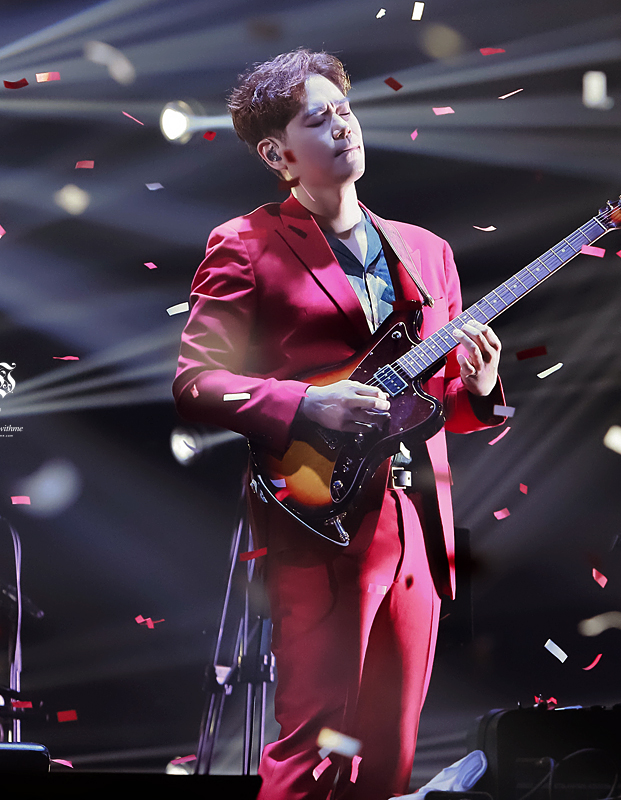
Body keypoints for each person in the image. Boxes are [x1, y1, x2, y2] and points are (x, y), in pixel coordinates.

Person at [172, 48, 506, 800]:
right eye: (318, 120)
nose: (343, 127)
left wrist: (481, 388)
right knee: (317, 747)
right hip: (318, 516)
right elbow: (197, 384)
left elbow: (440, 406)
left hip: (416, 521)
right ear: (277, 154)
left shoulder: (428, 252)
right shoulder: (245, 243)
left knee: (390, 754)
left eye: (346, 111)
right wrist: (305, 403)